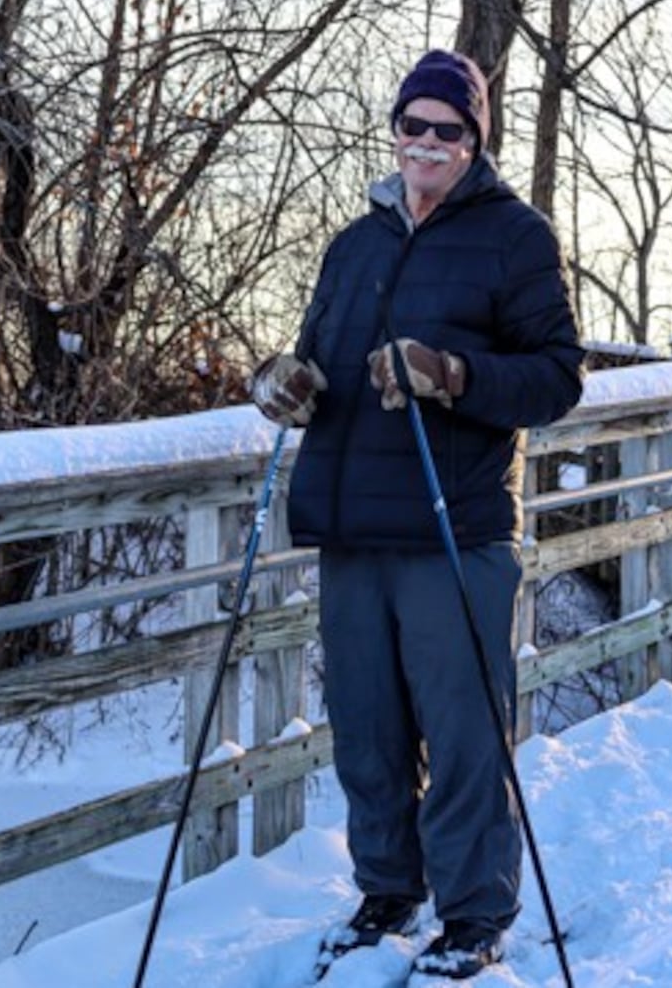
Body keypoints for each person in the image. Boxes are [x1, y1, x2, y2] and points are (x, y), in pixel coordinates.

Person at [249, 49, 586, 980]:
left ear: (474, 140)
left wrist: (453, 374)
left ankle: (474, 914)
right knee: (366, 726)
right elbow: (318, 359)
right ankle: (387, 891)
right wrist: (286, 383)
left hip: (455, 524)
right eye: (414, 127)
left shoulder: (515, 237)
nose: (427, 144)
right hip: (354, 524)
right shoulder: (356, 243)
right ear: (394, 132)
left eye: (448, 130)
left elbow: (558, 376)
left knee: (464, 724)